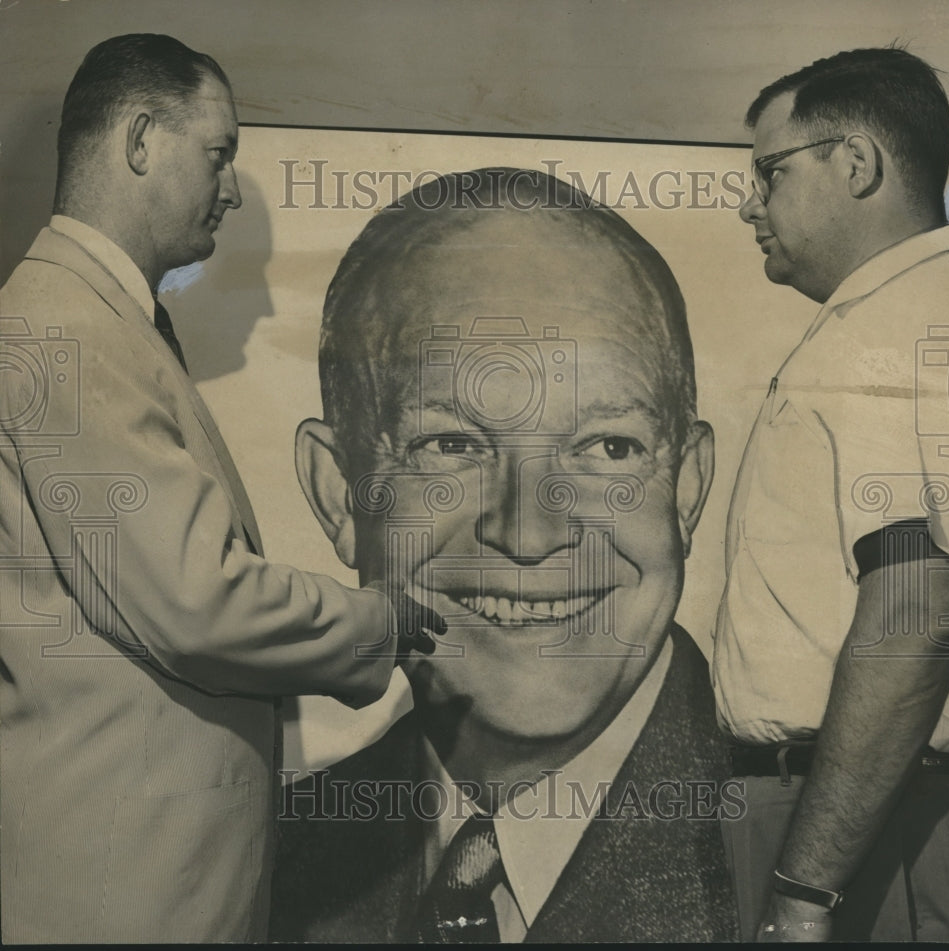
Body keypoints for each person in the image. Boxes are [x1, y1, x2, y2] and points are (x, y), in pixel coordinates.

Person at [0, 33, 442, 944]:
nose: (232, 185)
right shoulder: (69, 330)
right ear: (139, 141)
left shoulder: (86, 321)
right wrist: (381, 622)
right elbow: (195, 601)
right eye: (220, 151)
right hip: (126, 889)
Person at [270, 168, 739, 942]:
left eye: (607, 446)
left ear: (686, 486)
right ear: (337, 492)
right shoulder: (270, 859)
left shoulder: (825, 853)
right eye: (450, 444)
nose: (529, 533)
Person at [713, 46, 949, 942]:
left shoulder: (908, 321)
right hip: (879, 819)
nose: (747, 202)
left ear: (858, 164)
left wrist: (805, 891)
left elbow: (917, 611)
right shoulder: (924, 312)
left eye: (770, 171)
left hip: (890, 838)